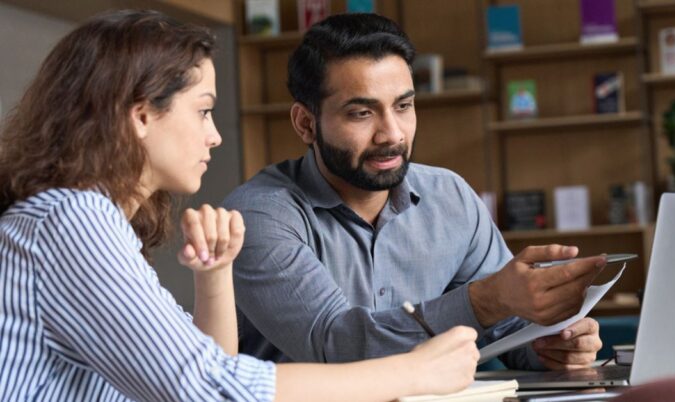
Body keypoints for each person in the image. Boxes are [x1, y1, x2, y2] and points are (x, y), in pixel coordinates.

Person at [0, 10, 481, 402]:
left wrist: (213, 278)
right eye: (204, 110)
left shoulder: (83, 222)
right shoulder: (70, 221)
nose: (215, 135)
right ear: (142, 115)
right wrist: (410, 373)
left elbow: (206, 366)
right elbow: (204, 387)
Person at [224, 13, 605, 371]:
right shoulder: (259, 216)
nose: (392, 134)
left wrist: (555, 343)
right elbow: (336, 346)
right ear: (306, 123)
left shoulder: (450, 197)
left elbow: (506, 331)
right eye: (362, 113)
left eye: (403, 106)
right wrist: (487, 300)